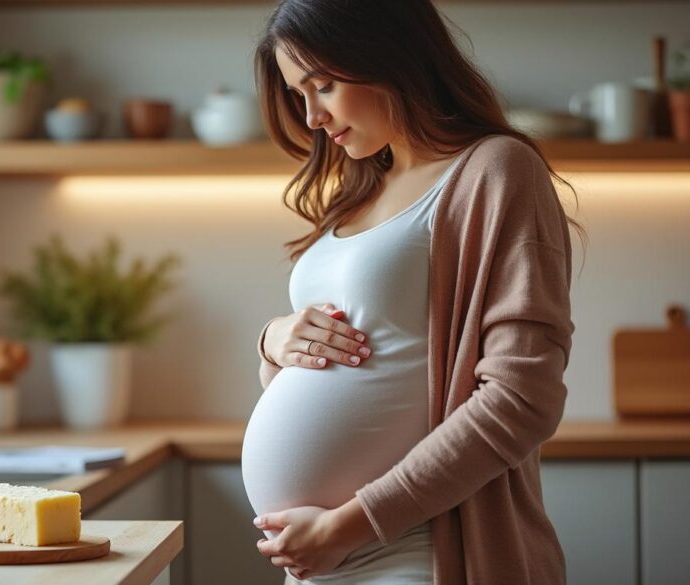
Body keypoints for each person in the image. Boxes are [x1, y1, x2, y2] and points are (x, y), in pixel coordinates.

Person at [240, 1, 584, 584]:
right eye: (300, 93)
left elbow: (521, 400)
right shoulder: (358, 190)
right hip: (320, 560)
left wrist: (348, 526)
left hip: (420, 550)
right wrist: (273, 343)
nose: (313, 116)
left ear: (389, 56)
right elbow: (353, 360)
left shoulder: (495, 171)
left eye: (323, 85)